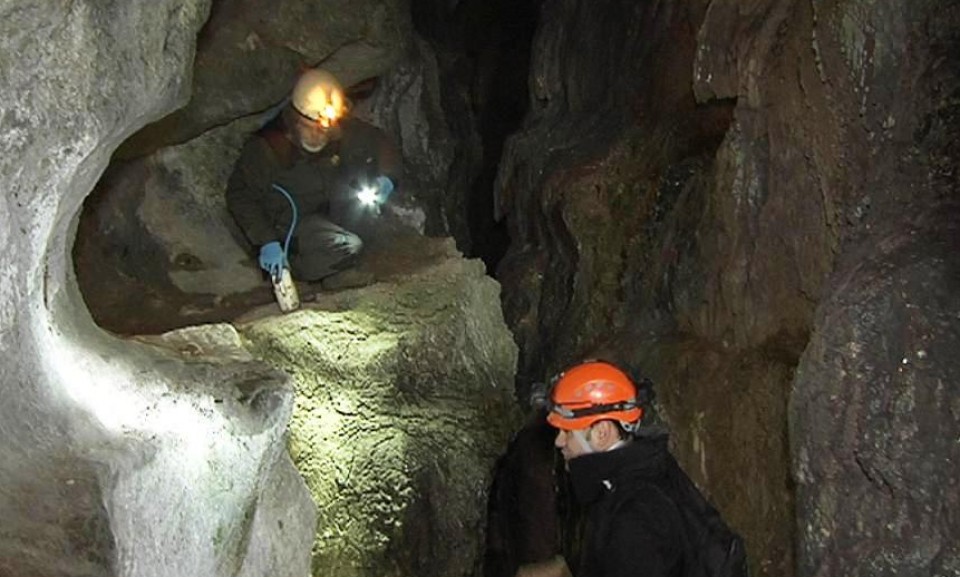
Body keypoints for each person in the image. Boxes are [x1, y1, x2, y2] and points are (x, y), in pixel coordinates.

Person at [515, 360, 692, 577]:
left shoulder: (635, 517)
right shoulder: (638, 475)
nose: (559, 442)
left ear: (601, 432)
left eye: (567, 432)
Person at [226, 68, 401, 282]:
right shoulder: (269, 149)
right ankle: (307, 273)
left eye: (324, 129)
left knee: (370, 220)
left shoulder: (338, 129)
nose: (318, 135)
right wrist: (266, 241)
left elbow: (380, 142)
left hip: (331, 211)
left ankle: (340, 260)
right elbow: (240, 195)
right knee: (349, 246)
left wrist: (387, 178)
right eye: (310, 128)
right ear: (296, 119)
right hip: (294, 225)